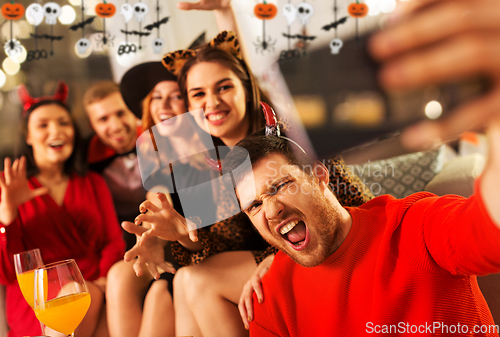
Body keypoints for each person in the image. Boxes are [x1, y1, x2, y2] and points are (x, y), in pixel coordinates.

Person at [126, 31, 373, 337]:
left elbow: (356, 205)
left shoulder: (290, 136)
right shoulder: (207, 166)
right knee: (185, 280)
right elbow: (213, 249)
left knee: (194, 281)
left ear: (246, 88)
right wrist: (182, 235)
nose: (212, 102)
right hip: (264, 269)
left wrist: (279, 257)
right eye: (198, 94)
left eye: (224, 87)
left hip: (322, 254)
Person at [222, 125, 500, 336]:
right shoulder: (270, 298)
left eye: (281, 185)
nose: (271, 211)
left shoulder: (417, 224)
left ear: (319, 174)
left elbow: (491, 230)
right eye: (255, 205)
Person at [0, 82, 125, 337]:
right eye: (43, 125)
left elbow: (113, 242)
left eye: (64, 123)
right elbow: (5, 272)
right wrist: (8, 212)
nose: (56, 130)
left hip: (96, 286)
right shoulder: (6, 186)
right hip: (37, 301)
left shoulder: (93, 182)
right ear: (28, 136)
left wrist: (102, 283)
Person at [83, 81, 143, 251]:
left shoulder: (156, 139)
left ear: (133, 112)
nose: (116, 126)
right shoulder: (85, 160)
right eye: (103, 119)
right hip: (118, 235)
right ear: (92, 126)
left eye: (120, 113)